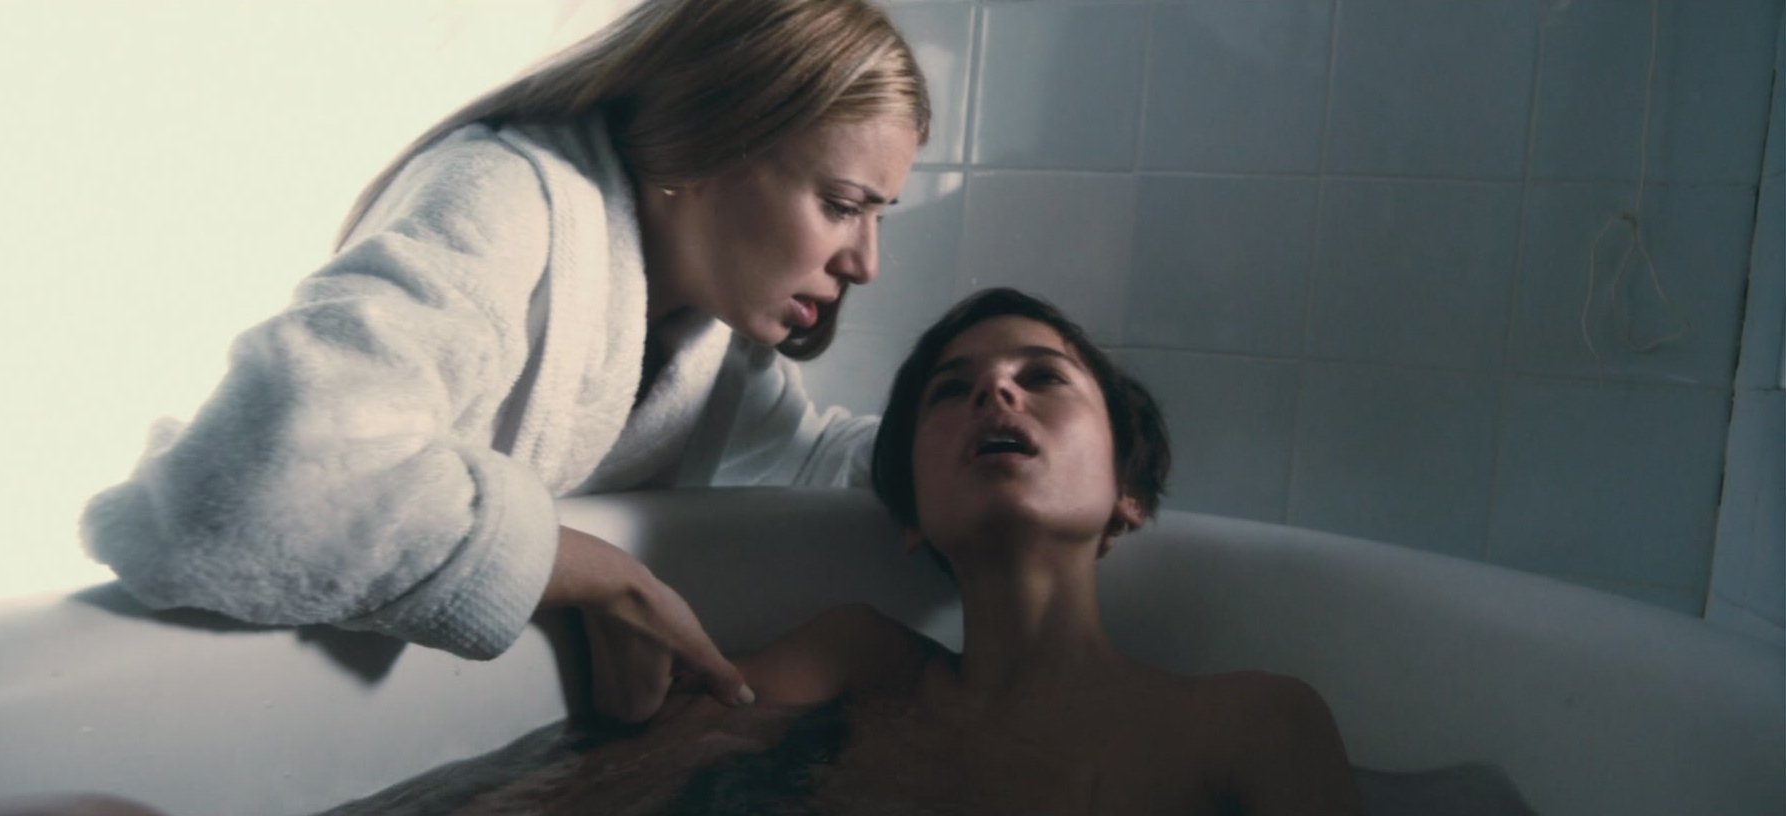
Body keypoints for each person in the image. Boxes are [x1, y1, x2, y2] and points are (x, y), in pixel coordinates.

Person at [81, 0, 928, 724]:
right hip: (221, 711)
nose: (867, 263)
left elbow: (817, 463)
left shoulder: (704, 343)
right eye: (841, 206)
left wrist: (985, 438)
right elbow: (265, 480)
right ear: (709, 149)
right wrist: (603, 576)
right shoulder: (503, 198)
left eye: (879, 216)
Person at [319, 288, 1364, 815]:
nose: (995, 392)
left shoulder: (1252, 723)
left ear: (1128, 492)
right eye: (953, 391)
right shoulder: (856, 663)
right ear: (910, 514)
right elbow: (593, 793)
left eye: (1041, 377)